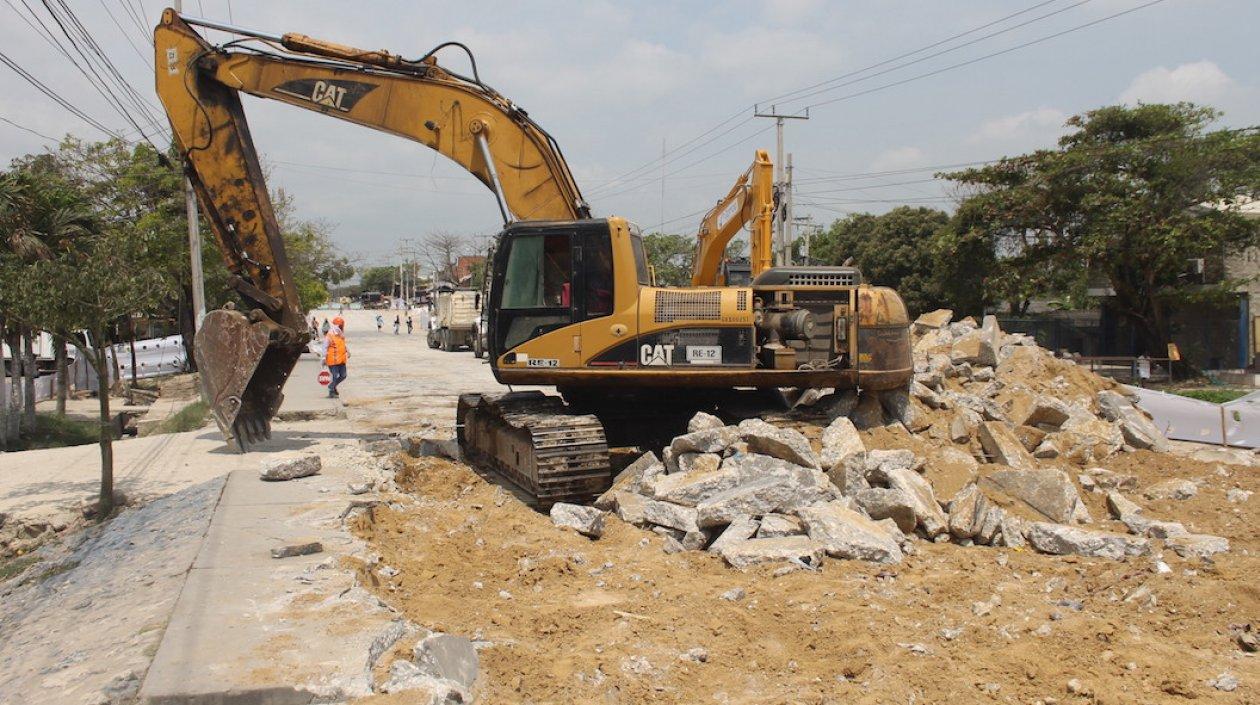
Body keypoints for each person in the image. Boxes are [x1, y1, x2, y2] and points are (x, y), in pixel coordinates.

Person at [324, 323, 348, 398]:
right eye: (341, 326)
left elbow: (343, 345)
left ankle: (332, 386)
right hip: (332, 360)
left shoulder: (341, 335)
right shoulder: (330, 335)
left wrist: (348, 351)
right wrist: (323, 358)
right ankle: (331, 391)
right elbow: (325, 347)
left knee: (343, 375)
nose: (342, 328)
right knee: (335, 376)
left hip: (341, 360)